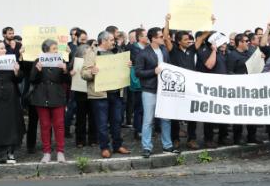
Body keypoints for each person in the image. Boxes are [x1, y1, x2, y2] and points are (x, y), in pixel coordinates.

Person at [81, 31, 130, 159]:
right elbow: (83, 73)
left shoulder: (117, 52)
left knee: (117, 121)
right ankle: (104, 147)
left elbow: (121, 70)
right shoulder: (91, 54)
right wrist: (92, 72)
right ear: (103, 41)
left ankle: (117, 145)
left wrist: (127, 66)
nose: (114, 42)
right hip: (99, 95)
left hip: (115, 93)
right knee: (102, 123)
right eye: (111, 40)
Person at [135, 27, 178, 158]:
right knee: (148, 120)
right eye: (160, 36)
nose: (163, 38)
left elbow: (169, 66)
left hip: (163, 90)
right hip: (149, 90)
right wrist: (153, 71)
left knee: (166, 119)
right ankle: (147, 147)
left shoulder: (164, 50)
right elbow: (138, 72)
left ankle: (167, 145)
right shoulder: (143, 53)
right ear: (152, 38)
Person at [30, 39, 72, 163]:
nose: (56, 51)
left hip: (57, 97)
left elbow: (67, 81)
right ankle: (46, 152)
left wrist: (65, 70)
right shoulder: (38, 61)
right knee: (44, 125)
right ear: (46, 50)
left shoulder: (61, 61)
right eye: (54, 49)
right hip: (41, 97)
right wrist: (36, 70)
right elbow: (32, 79)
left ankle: (60, 151)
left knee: (59, 125)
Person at [226, 33, 263, 146]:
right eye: (246, 41)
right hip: (239, 89)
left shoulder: (249, 53)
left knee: (252, 113)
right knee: (239, 114)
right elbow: (229, 72)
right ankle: (238, 138)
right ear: (240, 43)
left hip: (251, 89)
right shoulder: (232, 55)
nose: (248, 43)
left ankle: (252, 136)